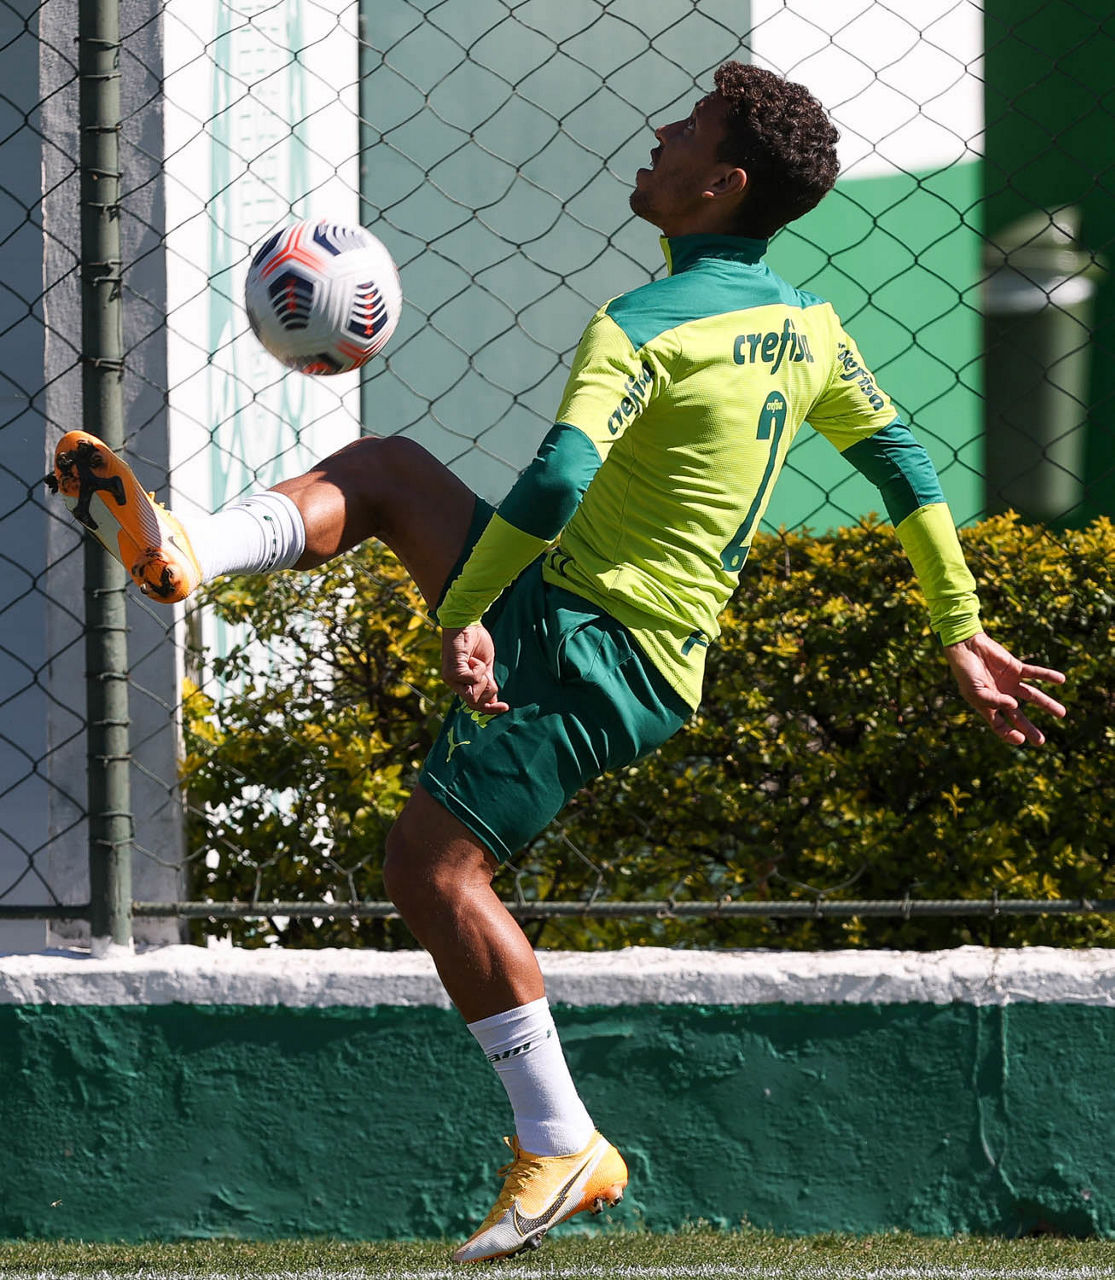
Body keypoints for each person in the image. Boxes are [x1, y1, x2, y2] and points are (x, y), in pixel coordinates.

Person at [49, 61, 1067, 1262]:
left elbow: (558, 477)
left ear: (721, 183)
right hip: (590, 619)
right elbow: (903, 462)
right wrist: (957, 622)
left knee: (431, 867)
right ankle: (192, 547)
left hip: (596, 649)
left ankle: (560, 1137)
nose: (659, 132)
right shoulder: (809, 329)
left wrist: (465, 610)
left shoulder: (639, 326)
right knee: (387, 473)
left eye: (687, 128)